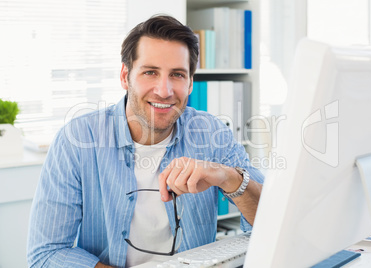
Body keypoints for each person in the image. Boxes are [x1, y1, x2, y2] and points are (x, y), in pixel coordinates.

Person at [27, 15, 264, 268]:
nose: (164, 90)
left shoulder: (213, 133)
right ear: (125, 76)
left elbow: (271, 223)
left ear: (191, 83)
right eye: (150, 72)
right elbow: (46, 255)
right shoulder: (77, 141)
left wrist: (229, 177)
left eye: (177, 75)